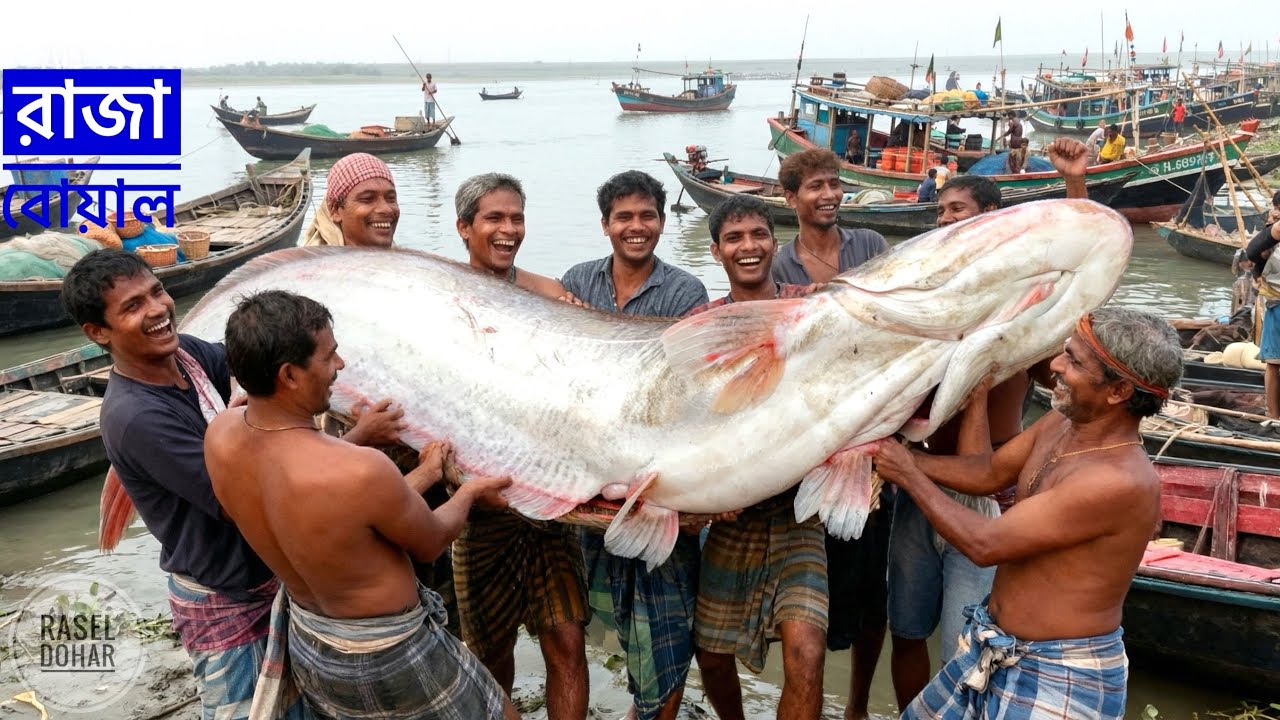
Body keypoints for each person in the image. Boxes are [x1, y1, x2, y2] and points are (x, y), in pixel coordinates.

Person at [202, 290, 519, 719]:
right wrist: (468, 492)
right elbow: (431, 540)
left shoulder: (219, 436)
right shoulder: (360, 469)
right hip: (388, 651)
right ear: (290, 376)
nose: (340, 366)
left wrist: (425, 472)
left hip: (310, 637)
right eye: (329, 356)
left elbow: (335, 508)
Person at [873, 307, 1184, 719]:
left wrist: (909, 474)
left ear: (1119, 392)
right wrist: (894, 456)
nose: (1054, 364)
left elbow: (986, 544)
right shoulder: (1061, 422)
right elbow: (988, 472)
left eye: (1073, 360)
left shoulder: (1118, 480)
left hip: (1059, 672)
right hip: (993, 643)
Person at [59, 250, 316, 719]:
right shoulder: (137, 417)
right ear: (98, 333)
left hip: (264, 575)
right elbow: (235, 499)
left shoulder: (187, 355)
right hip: (226, 595)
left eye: (157, 291)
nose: (157, 309)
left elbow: (252, 373)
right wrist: (350, 446)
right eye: (133, 306)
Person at [888, 137, 1089, 713]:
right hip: (915, 483)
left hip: (990, 491)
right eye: (942, 211)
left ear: (991, 221)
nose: (945, 219)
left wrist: (1074, 185)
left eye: (958, 211)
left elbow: (1078, 299)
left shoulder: (1022, 307)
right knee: (906, 628)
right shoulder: (930, 298)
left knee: (966, 643)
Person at [560, 170, 708, 720]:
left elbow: (686, 392)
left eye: (647, 216)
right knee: (613, 613)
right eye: (624, 217)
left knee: (666, 624)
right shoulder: (577, 281)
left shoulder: (685, 292)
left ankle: (655, 709)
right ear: (605, 225)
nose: (636, 227)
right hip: (595, 477)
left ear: (663, 224)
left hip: (657, 475)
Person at [451, 172, 591, 719]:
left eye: (517, 218)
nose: (509, 230)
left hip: (550, 505)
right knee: (490, 654)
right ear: (464, 228)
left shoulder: (550, 296)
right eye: (495, 218)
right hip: (480, 508)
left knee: (568, 638)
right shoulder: (445, 298)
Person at [688, 195, 829, 720]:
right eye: (734, 238)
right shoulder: (703, 325)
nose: (748, 247)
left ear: (775, 242)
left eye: (757, 235)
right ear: (717, 251)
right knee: (712, 654)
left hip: (800, 514)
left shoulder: (812, 307)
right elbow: (690, 420)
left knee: (807, 652)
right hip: (732, 514)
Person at [769, 148, 890, 720]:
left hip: (875, 427)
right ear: (790, 198)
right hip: (812, 436)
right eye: (815, 186)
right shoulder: (778, 269)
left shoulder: (869, 246)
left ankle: (859, 706)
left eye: (835, 184)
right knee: (823, 583)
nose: (830, 195)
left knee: (873, 591)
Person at [303, 153, 399, 248]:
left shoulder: (402, 260)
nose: (386, 209)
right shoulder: (313, 261)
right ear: (335, 209)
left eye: (391, 198)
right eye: (367, 199)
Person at [1245, 204, 1280, 419]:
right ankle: (1274, 417)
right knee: (1275, 362)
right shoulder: (1273, 233)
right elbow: (1252, 252)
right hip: (1277, 302)